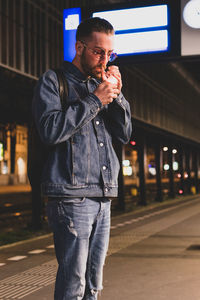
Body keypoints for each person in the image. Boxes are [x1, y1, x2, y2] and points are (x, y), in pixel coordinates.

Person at [32, 17, 132, 300]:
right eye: (98, 51)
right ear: (79, 47)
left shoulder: (101, 84)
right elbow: (50, 130)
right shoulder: (54, 81)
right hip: (70, 195)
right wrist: (95, 100)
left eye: (110, 53)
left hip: (102, 195)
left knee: (93, 284)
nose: (104, 59)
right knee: (73, 284)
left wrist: (118, 95)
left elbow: (124, 134)